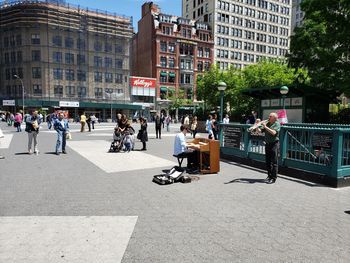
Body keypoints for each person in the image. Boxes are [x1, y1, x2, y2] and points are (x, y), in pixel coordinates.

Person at [259, 112, 281, 184]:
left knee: (274, 162)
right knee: (268, 161)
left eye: (270, 116)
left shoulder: (277, 124)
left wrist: (265, 127)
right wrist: (257, 126)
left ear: (274, 118)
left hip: (274, 144)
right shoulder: (267, 123)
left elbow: (274, 132)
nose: (269, 117)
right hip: (267, 144)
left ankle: (273, 178)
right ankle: (269, 175)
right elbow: (260, 131)